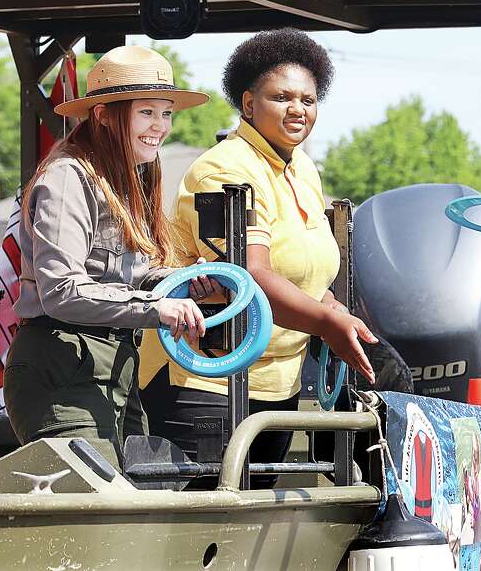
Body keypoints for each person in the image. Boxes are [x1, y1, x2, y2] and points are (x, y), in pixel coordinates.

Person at [139, 28, 378, 487]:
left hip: (279, 383)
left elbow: (303, 271)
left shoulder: (303, 166)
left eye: (308, 100)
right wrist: (327, 324)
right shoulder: (224, 167)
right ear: (248, 104)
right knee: (205, 531)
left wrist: (330, 305)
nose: (298, 110)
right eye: (282, 97)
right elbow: (251, 275)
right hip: (207, 380)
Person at [4, 45, 218, 467]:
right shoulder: (67, 177)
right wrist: (161, 307)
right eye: (146, 113)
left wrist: (180, 282)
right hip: (62, 368)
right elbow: (62, 291)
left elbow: (123, 278)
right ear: (103, 114)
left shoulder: (125, 178)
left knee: (131, 503)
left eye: (166, 113)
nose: (160, 127)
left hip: (113, 371)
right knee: (94, 510)